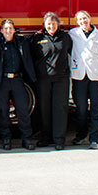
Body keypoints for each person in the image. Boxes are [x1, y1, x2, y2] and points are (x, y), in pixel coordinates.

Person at [0, 19, 37, 151]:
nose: (8, 31)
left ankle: (26, 139)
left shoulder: (21, 43)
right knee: (3, 112)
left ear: (14, 30)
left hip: (17, 80)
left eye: (10, 28)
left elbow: (33, 45)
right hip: (2, 81)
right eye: (6, 28)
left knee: (22, 111)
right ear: (1, 31)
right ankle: (6, 139)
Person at [30, 12, 73, 150]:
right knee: (44, 109)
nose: (51, 26)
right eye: (48, 24)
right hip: (44, 79)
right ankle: (45, 138)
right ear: (44, 25)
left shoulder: (65, 37)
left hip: (61, 79)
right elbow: (31, 55)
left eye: (54, 24)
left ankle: (59, 139)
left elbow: (72, 52)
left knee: (60, 109)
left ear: (58, 25)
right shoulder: (38, 38)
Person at [69, 10, 98, 150]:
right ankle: (81, 135)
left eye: (85, 18)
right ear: (77, 22)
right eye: (80, 19)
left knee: (96, 110)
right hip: (79, 76)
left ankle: (95, 139)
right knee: (80, 109)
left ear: (90, 18)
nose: (83, 21)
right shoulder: (73, 34)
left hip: (96, 77)